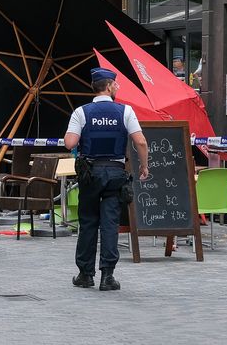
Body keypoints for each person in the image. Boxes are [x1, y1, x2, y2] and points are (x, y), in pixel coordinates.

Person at [64, 67, 149, 291]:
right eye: (116, 84)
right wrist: (144, 166)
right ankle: (107, 276)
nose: (117, 87)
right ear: (109, 86)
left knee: (88, 221)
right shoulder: (126, 111)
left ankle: (85, 274)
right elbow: (140, 142)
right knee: (110, 223)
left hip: (90, 174)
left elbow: (70, 143)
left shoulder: (81, 112)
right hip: (115, 173)